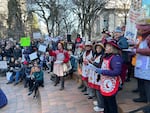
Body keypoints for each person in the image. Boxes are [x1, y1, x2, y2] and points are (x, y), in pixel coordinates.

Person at [95, 39, 123, 113]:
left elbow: (116, 72)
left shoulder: (116, 58)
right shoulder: (107, 56)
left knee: (111, 103)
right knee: (106, 103)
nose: (105, 48)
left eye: (107, 47)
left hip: (111, 84)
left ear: (112, 48)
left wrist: (102, 71)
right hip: (105, 82)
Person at [132, 18, 150, 113]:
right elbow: (139, 47)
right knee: (141, 82)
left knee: (148, 84)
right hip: (141, 63)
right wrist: (134, 47)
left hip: (147, 65)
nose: (138, 31)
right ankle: (143, 97)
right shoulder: (142, 38)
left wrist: (137, 50)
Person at [88, 42, 105, 112]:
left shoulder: (102, 56)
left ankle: (101, 105)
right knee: (96, 89)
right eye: (97, 48)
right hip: (94, 74)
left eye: (99, 48)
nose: (98, 49)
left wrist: (92, 63)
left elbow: (100, 66)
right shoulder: (96, 55)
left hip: (98, 75)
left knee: (98, 90)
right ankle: (99, 102)